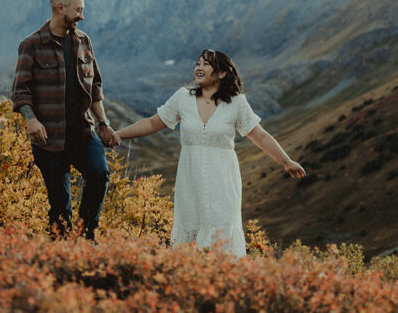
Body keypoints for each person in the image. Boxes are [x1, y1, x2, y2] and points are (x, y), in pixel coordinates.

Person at [115, 49, 304, 257]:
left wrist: (286, 161)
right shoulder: (182, 98)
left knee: (222, 235)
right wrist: (119, 134)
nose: (199, 68)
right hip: (190, 180)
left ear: (222, 73)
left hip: (223, 181)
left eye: (206, 64)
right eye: (197, 63)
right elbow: (152, 123)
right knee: (189, 235)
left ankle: (223, 283)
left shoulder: (236, 103)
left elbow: (260, 136)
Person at [11, 0, 119, 239]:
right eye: (78, 10)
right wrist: (31, 120)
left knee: (100, 174)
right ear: (61, 8)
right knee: (60, 205)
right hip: (49, 139)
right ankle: (60, 251)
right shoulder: (31, 45)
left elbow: (95, 87)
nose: (82, 16)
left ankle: (86, 236)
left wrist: (103, 123)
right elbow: (20, 91)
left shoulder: (84, 41)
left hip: (83, 132)